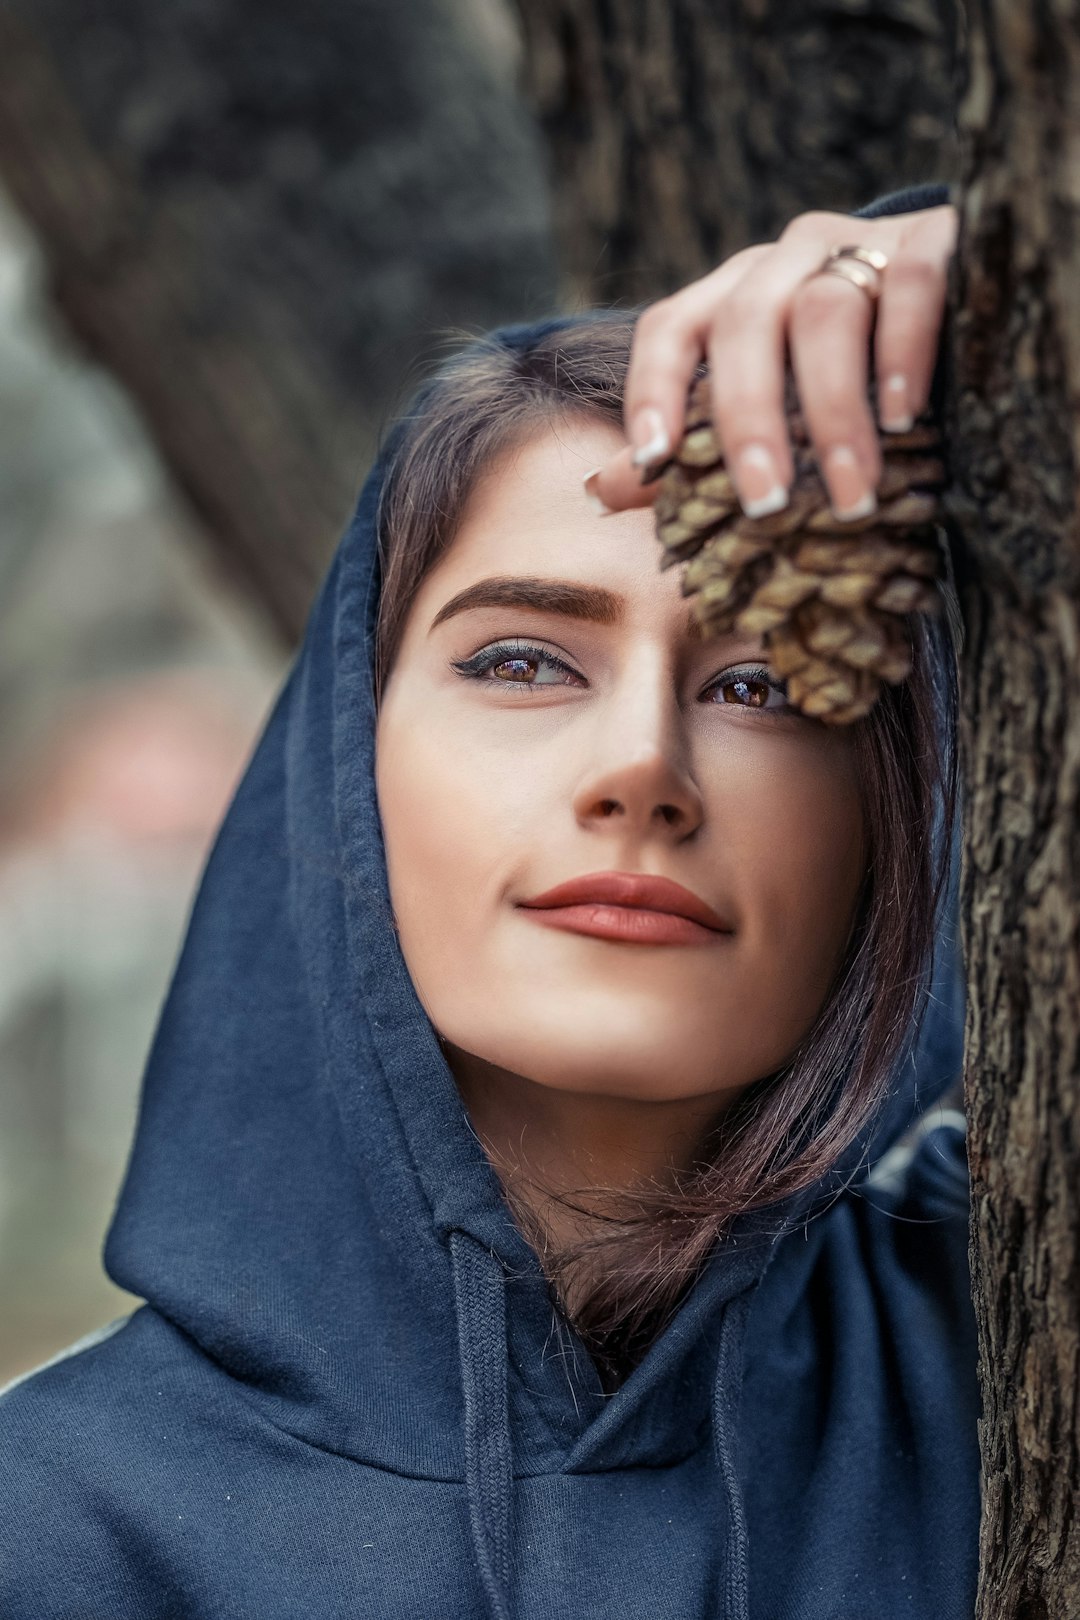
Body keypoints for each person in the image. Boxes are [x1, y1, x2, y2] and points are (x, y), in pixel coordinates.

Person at [0, 182, 976, 1619]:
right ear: (347, 758)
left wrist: (1000, 277)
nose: (642, 768)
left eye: (765, 684)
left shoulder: (1004, 1344)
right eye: (523, 661)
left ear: (904, 814)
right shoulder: (57, 1531)